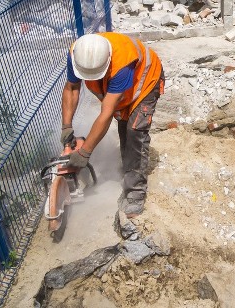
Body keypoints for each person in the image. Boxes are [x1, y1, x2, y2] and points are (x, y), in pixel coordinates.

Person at [61, 32, 164, 218]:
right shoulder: (77, 54)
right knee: (124, 124)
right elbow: (71, 88)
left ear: (107, 62)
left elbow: (107, 112)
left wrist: (84, 153)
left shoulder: (122, 63)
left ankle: (135, 193)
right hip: (121, 88)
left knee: (135, 130)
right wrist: (66, 126)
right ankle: (129, 168)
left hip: (146, 81)